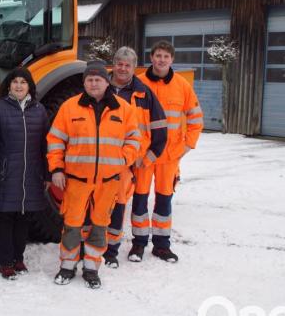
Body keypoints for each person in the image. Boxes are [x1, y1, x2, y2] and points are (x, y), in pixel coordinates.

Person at [46, 60, 148, 289]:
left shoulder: (123, 109)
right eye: (89, 80)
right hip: (76, 180)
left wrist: (124, 160)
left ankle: (92, 268)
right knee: (72, 225)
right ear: (84, 83)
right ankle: (67, 265)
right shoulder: (70, 107)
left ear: (106, 81)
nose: (94, 83)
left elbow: (134, 138)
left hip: (109, 181)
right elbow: (55, 140)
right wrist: (57, 169)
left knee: (99, 225)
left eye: (98, 79)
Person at [133, 40, 204, 263]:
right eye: (158, 55)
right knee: (139, 201)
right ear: (151, 58)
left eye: (166, 56)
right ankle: (138, 244)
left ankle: (162, 246)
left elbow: (196, 119)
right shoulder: (139, 83)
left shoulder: (182, 86)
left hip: (170, 156)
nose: (161, 60)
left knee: (164, 201)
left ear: (171, 59)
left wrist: (186, 146)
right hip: (144, 156)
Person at [103, 46, 167, 268]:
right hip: (105, 161)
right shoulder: (101, 88)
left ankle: (124, 247)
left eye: (127, 65)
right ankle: (101, 247)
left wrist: (146, 159)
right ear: (113, 64)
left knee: (129, 203)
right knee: (104, 205)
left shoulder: (144, 93)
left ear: (133, 68)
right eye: (119, 63)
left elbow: (160, 130)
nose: (122, 68)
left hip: (134, 162)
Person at [0, 68, 50, 280]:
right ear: (9, 85)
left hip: (30, 174)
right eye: (15, 82)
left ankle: (18, 258)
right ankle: (6, 262)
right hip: (5, 173)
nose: (19, 86)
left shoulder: (39, 110)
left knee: (24, 217)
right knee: (4, 217)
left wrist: (47, 174)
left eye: (23, 82)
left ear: (30, 85)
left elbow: (45, 146)